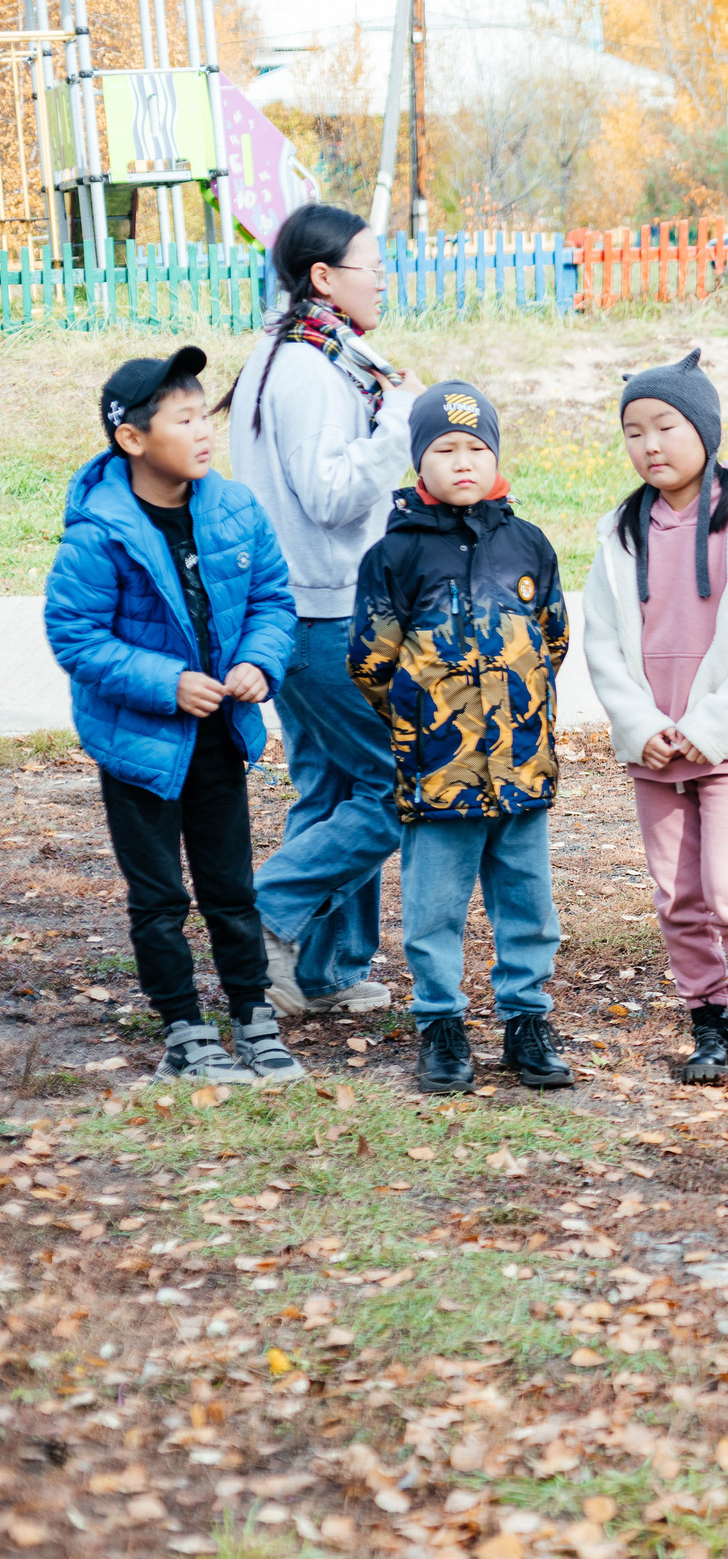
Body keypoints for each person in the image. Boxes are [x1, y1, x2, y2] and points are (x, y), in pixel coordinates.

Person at [46, 348, 303, 1085]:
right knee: (160, 894)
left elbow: (271, 603)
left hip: (219, 735)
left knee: (231, 887)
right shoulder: (100, 531)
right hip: (140, 744)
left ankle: (253, 1017)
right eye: (183, 419)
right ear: (132, 437)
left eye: (205, 417)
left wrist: (259, 662)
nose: (203, 433)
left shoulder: (233, 508)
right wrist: (168, 683)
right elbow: (78, 637)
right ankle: (186, 1032)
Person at [584, 351, 728, 1093]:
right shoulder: (620, 533)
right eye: (633, 431)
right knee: (678, 895)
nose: (650, 445)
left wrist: (711, 724)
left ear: (705, 431)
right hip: (654, 746)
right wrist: (638, 721)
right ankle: (709, 1027)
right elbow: (602, 643)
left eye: (666, 427)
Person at [221, 203, 420, 1018]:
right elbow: (332, 495)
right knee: (400, 783)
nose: (385, 281)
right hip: (321, 616)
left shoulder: (303, 355)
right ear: (324, 278)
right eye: (373, 266)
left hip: (309, 608)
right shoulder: (305, 369)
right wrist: (402, 428)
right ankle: (263, 914)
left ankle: (320, 971)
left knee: (332, 788)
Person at [349, 383, 571, 1093]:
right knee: (433, 906)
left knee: (528, 903)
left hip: (519, 767)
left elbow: (554, 639)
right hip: (439, 771)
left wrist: (515, 716)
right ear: (421, 461)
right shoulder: (396, 555)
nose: (464, 461)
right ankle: (440, 1025)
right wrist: (423, 723)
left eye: (477, 448)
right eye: (446, 448)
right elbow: (370, 660)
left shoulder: (528, 543)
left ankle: (526, 1022)